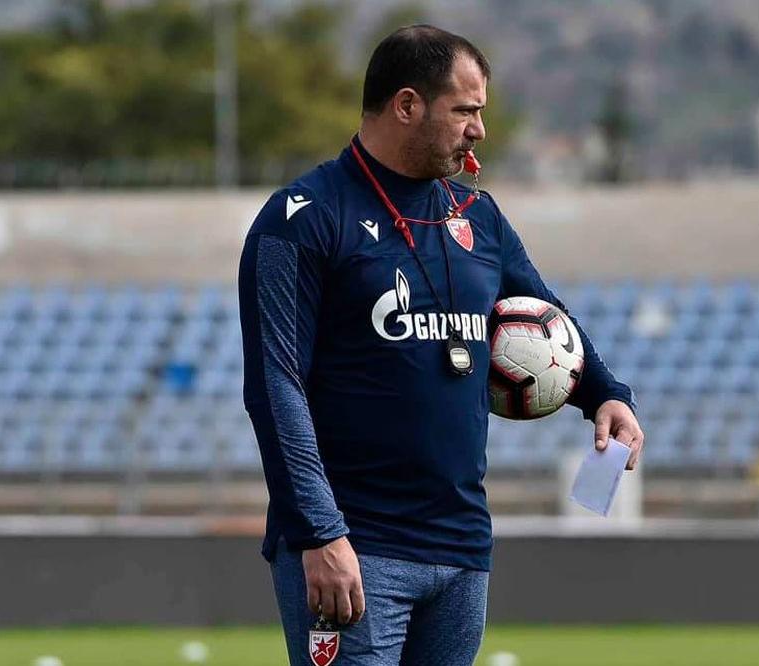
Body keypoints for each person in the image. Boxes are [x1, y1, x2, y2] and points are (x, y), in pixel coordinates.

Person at [238, 24, 644, 666]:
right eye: (465, 111)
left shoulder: (479, 217)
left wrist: (604, 394)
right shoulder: (303, 219)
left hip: (460, 550)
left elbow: (547, 317)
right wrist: (319, 532)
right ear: (407, 105)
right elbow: (275, 388)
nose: (479, 129)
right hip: (355, 546)